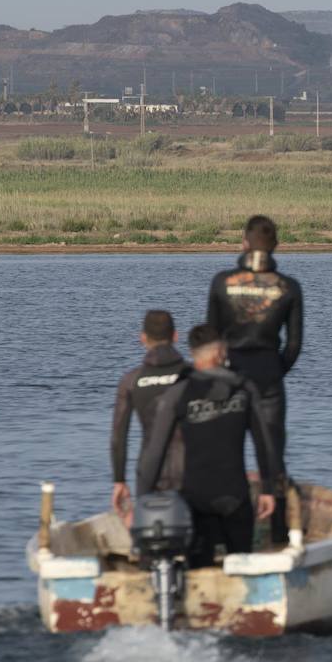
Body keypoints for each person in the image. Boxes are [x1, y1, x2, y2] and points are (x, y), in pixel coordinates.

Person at [136, 325, 281, 567]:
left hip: (195, 499)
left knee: (198, 570)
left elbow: (154, 452)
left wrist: (142, 500)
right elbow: (264, 443)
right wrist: (268, 488)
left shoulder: (178, 392)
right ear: (220, 352)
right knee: (241, 567)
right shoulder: (244, 388)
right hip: (235, 496)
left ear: (193, 353)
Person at [206, 214, 302, 542]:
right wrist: (274, 371)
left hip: (230, 375)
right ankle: (277, 535)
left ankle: (223, 535)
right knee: (271, 456)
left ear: (244, 243)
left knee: (224, 454)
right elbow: (293, 346)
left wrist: (222, 374)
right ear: (276, 245)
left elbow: (212, 337)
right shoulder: (289, 288)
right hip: (269, 378)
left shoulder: (222, 282)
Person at [110, 310, 187, 522]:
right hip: (191, 470)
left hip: (149, 472)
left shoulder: (132, 380)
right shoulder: (194, 375)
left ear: (143, 338)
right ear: (176, 336)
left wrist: (119, 481)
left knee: (150, 536)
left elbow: (119, 437)